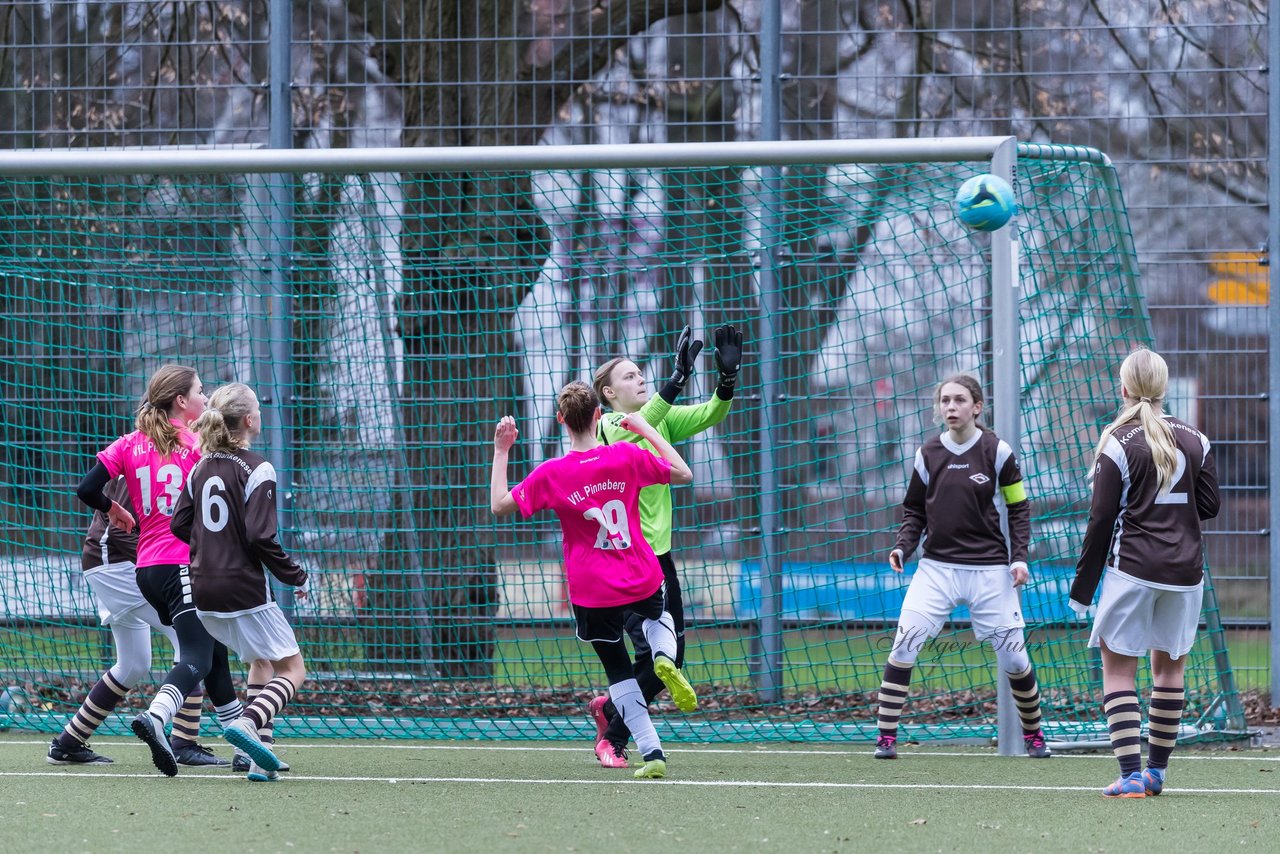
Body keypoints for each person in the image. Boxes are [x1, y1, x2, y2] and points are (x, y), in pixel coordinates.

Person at [491, 381, 697, 779]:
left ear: (561, 421)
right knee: (659, 619)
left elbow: (500, 506)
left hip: (591, 588)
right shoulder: (625, 455)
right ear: (599, 416)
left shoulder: (551, 473)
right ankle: (663, 658)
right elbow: (683, 473)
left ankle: (651, 753)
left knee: (618, 670)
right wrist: (646, 430)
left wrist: (502, 451)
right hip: (639, 572)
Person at [585, 323, 742, 768]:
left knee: (671, 656)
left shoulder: (658, 419)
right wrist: (676, 378)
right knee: (654, 657)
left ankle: (612, 711)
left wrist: (725, 380)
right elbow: (645, 420)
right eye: (630, 376)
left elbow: (710, 414)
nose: (640, 379)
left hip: (658, 557)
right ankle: (613, 738)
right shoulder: (610, 425)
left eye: (640, 374)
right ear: (609, 394)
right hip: (621, 560)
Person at [77, 363, 243, 776]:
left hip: (146, 569)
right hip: (180, 564)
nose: (205, 398)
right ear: (181, 401)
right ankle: (160, 719)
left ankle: (246, 740)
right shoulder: (198, 447)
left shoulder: (128, 443)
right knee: (198, 653)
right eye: (200, 392)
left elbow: (85, 488)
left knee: (212, 650)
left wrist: (112, 508)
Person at [873, 374, 1050, 760]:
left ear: (977, 407)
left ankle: (1034, 736)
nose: (950, 407)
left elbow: (1019, 508)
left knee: (1016, 657)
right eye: (944, 401)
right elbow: (914, 510)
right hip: (936, 570)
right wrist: (903, 547)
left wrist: (1019, 557)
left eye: (959, 400)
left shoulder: (997, 451)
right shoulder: (927, 454)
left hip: (990, 571)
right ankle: (886, 739)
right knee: (903, 646)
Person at [1069, 348, 1219, 798]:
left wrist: (1082, 588)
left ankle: (1131, 775)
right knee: (1169, 672)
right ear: (1164, 387)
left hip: (1132, 569)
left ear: (1125, 388)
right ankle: (1156, 773)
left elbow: (1100, 520)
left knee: (1117, 672)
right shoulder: (1197, 438)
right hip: (1185, 574)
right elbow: (1209, 505)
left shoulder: (1117, 439)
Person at [171, 382, 309, 783]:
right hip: (243, 587)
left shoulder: (200, 467)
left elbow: (181, 523)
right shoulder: (258, 466)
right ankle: (249, 723)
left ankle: (257, 759)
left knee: (260, 661)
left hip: (203, 589)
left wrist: (211, 549)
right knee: (294, 668)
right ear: (249, 420)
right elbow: (260, 536)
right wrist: (294, 575)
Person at [50, 473, 227, 768]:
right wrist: (161, 562)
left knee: (133, 663)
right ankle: (184, 743)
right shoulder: (142, 456)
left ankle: (67, 744)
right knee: (191, 639)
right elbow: (119, 531)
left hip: (110, 564)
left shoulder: (163, 454)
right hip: (117, 565)